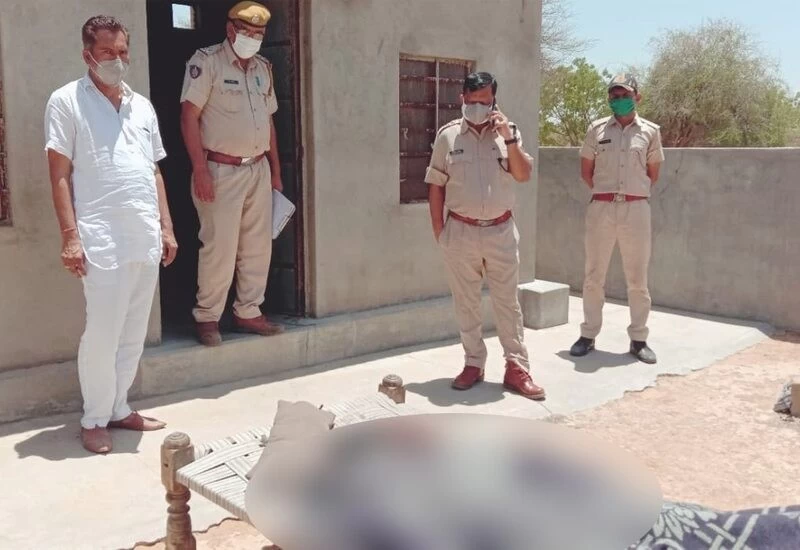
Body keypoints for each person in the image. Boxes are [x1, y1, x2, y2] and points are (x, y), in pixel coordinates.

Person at [45, 15, 177, 454]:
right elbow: (59, 174)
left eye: (122, 51)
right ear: (88, 55)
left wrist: (166, 226)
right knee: (103, 331)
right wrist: (70, 236)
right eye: (107, 52)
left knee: (134, 330)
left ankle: (119, 407)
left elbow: (153, 171)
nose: (117, 60)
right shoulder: (66, 101)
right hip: (101, 237)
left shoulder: (142, 106)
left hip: (143, 234)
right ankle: (95, 418)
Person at [425, 72, 545, 400]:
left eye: (485, 101)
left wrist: (509, 139)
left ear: (494, 101)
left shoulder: (509, 132)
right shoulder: (448, 136)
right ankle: (473, 363)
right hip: (460, 232)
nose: (478, 106)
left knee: (508, 303)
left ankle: (516, 368)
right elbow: (436, 185)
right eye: (472, 100)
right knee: (466, 303)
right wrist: (439, 231)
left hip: (500, 231)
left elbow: (523, 175)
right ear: (462, 98)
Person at [180, 1, 284, 347]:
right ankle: (207, 316)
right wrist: (199, 168)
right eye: (246, 31)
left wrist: (276, 172)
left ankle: (248, 311)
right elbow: (189, 117)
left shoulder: (263, 68)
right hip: (219, 169)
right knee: (219, 247)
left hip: (257, 168)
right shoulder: (206, 62)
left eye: (258, 33)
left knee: (257, 247)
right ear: (230, 30)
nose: (252, 38)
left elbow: (268, 122)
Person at [570, 73, 665, 364]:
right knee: (593, 276)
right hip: (601, 208)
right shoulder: (596, 129)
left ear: (637, 97)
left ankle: (639, 339)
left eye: (625, 95)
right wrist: (608, 194)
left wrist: (629, 194)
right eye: (615, 95)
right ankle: (588, 334)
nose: (620, 100)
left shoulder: (650, 131)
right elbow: (586, 172)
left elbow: (653, 174)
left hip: (636, 209)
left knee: (637, 278)